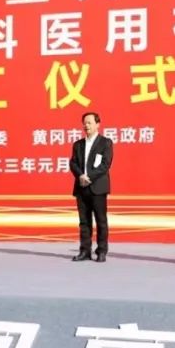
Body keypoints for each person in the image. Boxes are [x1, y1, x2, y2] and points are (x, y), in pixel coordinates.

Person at [69, 112, 113, 262]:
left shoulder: (105, 143)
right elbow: (73, 163)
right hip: (81, 187)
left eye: (89, 123)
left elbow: (105, 164)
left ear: (97, 124)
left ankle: (101, 251)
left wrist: (89, 177)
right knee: (84, 222)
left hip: (98, 187)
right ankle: (85, 251)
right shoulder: (78, 144)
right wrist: (81, 176)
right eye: (84, 123)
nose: (86, 126)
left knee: (101, 221)